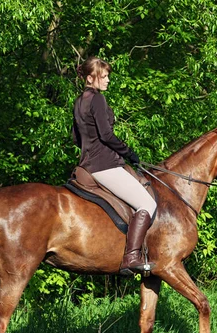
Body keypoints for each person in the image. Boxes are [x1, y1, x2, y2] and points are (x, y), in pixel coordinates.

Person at [72, 56, 157, 276]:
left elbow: (75, 137)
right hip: (104, 165)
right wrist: (128, 152)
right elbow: (107, 135)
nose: (108, 80)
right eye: (104, 76)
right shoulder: (97, 100)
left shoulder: (79, 101)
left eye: (108, 75)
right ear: (91, 78)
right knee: (147, 203)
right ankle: (131, 257)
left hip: (86, 164)